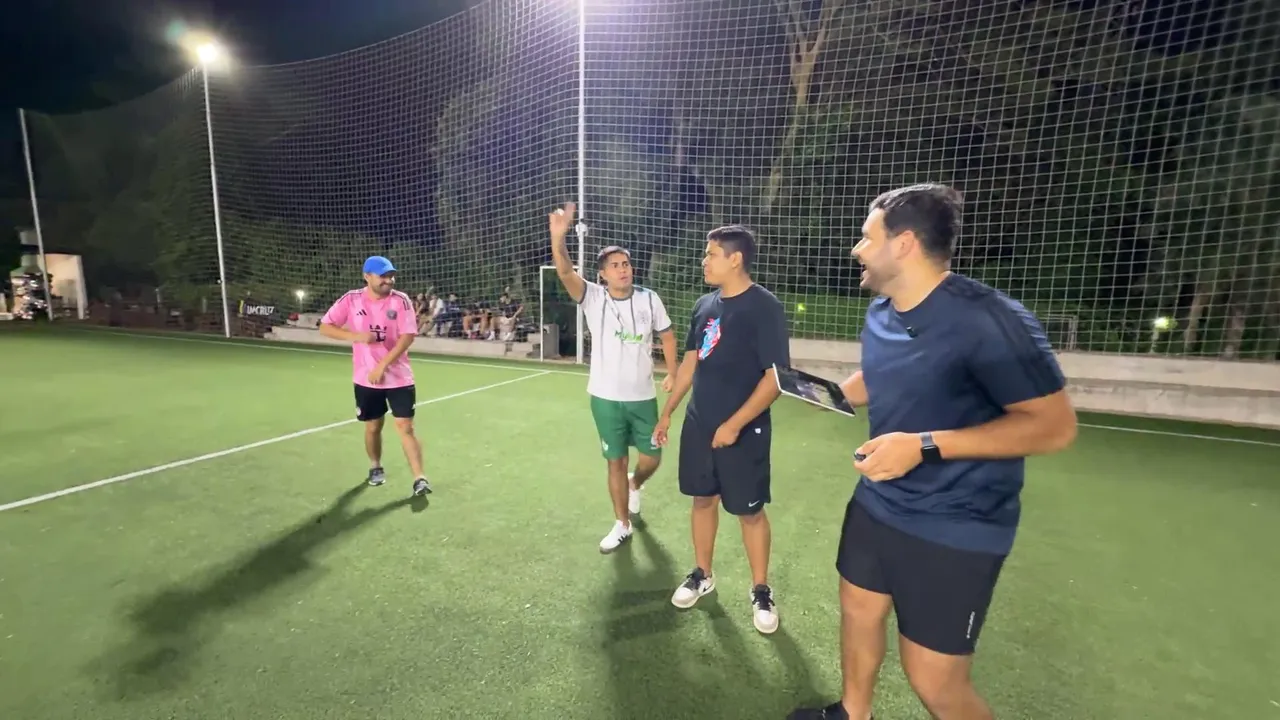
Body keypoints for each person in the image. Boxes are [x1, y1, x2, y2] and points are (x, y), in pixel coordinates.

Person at [789, 184, 1078, 720]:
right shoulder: (881, 310)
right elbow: (884, 371)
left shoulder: (989, 320)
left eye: (866, 237)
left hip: (956, 523)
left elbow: (1055, 427)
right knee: (858, 609)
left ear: (903, 244)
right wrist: (837, 393)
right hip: (877, 502)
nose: (856, 249)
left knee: (933, 678)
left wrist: (923, 446)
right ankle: (854, 712)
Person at [653, 224, 790, 635]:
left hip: (743, 430)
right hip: (700, 424)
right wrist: (668, 411)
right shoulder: (704, 305)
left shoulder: (764, 307)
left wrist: (734, 425)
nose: (704, 261)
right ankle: (702, 574)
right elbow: (691, 362)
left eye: (711, 254)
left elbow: (774, 379)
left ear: (735, 259)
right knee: (702, 499)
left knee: (749, 511)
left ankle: (761, 590)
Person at [548, 203, 679, 553]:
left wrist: (672, 372)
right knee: (615, 460)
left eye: (626, 264)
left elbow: (667, 335)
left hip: (642, 397)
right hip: (605, 398)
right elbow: (565, 272)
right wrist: (558, 238)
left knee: (652, 458)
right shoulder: (592, 297)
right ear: (602, 274)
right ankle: (622, 524)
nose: (623, 270)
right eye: (615, 266)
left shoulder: (650, 299)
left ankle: (636, 483)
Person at [319, 255, 431, 497]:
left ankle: (420, 478)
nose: (389, 280)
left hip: (398, 376)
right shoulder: (351, 299)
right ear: (367, 277)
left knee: (406, 426)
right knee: (373, 426)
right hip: (365, 378)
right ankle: (375, 466)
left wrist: (383, 365)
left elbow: (408, 336)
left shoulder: (400, 300)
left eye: (391, 276)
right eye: (383, 276)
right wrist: (355, 336)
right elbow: (325, 326)